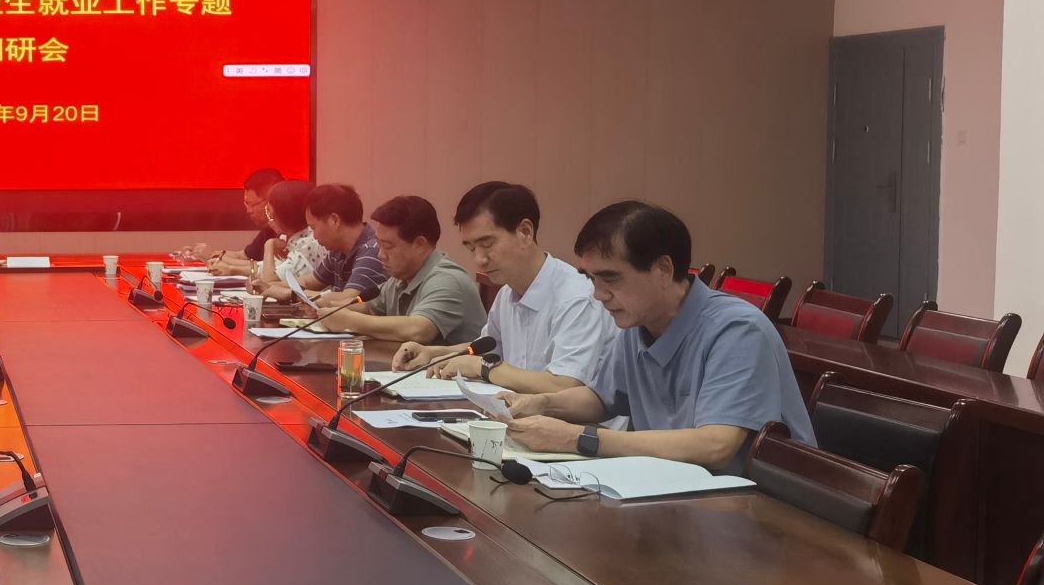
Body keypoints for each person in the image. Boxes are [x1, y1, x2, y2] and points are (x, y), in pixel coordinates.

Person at [505, 201, 815, 472]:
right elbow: (600, 399)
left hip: (765, 504)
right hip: (677, 490)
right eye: (591, 279)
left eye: (610, 278)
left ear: (663, 269)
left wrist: (580, 439)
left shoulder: (737, 330)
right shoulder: (638, 321)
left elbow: (716, 446)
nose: (598, 295)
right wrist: (536, 404)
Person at [391, 182, 615, 395]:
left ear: (525, 232)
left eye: (487, 244)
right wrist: (435, 352)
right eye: (471, 248)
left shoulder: (576, 297)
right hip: (518, 414)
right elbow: (486, 349)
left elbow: (565, 385)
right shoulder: (507, 293)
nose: (479, 260)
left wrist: (482, 367)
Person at [318, 195, 485, 345]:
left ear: (419, 244)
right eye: (379, 244)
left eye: (388, 246)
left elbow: (418, 330)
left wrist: (349, 321)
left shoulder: (447, 280)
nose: (380, 255)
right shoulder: (401, 277)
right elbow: (370, 307)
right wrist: (327, 307)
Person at [299, 183, 388, 302]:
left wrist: (293, 293)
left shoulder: (372, 250)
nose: (314, 236)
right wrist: (276, 288)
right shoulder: (337, 250)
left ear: (334, 220)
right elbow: (309, 282)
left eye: (313, 228)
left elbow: (350, 299)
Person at [190, 168, 284, 274]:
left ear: (270, 201)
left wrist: (221, 262)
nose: (248, 211)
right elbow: (244, 257)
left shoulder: (289, 229)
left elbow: (274, 270)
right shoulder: (268, 229)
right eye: (246, 204)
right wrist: (209, 254)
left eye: (252, 205)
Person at [248, 179, 328, 296]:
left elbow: (268, 280)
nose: (268, 215)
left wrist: (269, 245)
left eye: (269, 210)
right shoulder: (289, 238)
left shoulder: (308, 243)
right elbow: (267, 271)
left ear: (284, 213)